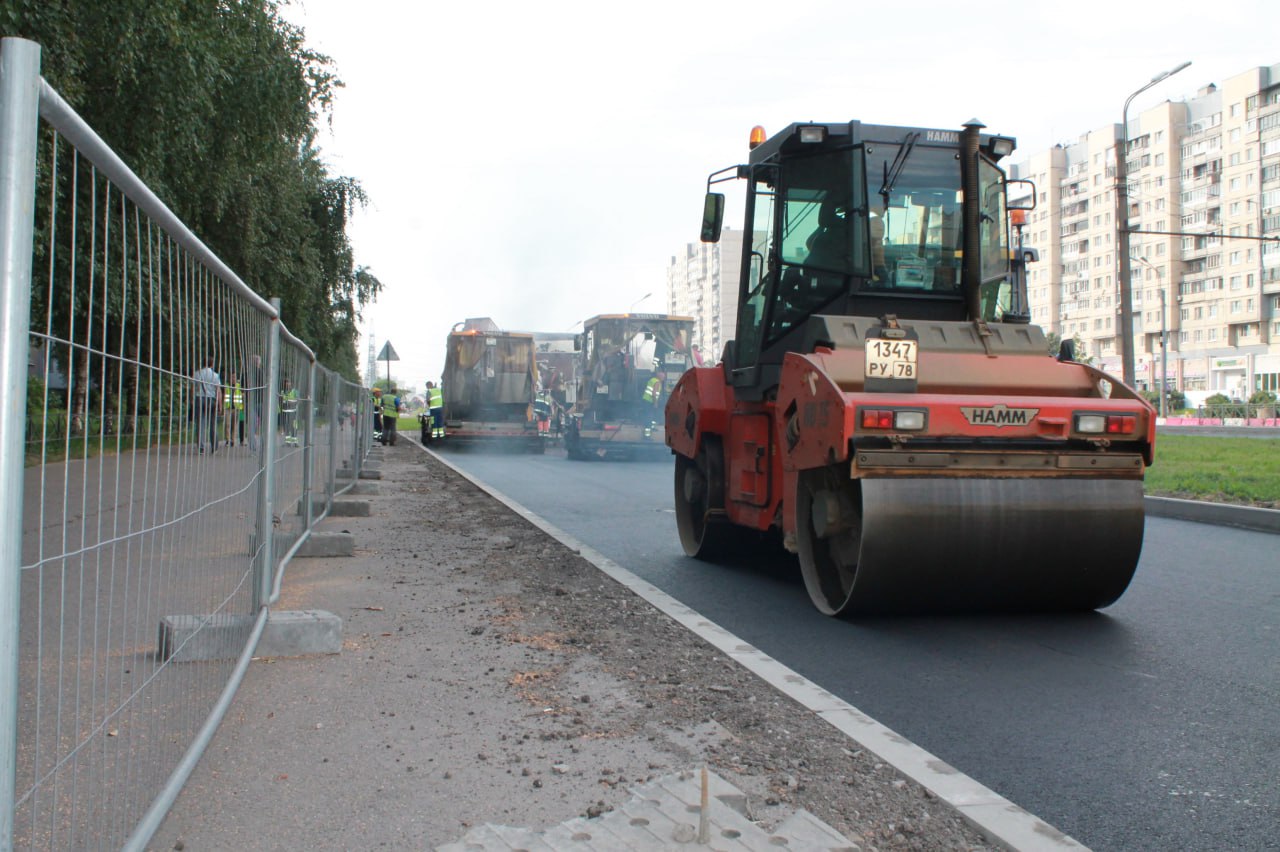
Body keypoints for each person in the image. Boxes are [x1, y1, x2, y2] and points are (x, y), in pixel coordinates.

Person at [192, 356, 221, 454]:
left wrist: (192, 401)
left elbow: (193, 388)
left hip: (199, 398)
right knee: (213, 424)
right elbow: (218, 391)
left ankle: (201, 447)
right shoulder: (215, 375)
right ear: (212, 364)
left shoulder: (197, 373)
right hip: (212, 400)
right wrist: (219, 404)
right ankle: (214, 447)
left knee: (200, 424)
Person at [245, 354, 264, 452]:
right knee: (264, 424)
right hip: (261, 401)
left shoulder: (247, 373)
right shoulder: (263, 374)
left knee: (251, 426)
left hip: (250, 401)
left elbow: (243, 389)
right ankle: (265, 444)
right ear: (259, 363)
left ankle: (253, 446)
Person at [223, 371, 244, 447]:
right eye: (232, 377)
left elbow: (242, 396)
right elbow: (224, 396)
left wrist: (242, 406)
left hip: (236, 408)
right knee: (227, 424)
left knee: (234, 425)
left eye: (234, 377)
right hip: (228, 408)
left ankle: (232, 440)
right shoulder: (226, 385)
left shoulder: (239, 386)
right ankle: (227, 440)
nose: (233, 379)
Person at [279, 377, 300, 447]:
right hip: (285, 412)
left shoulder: (294, 391)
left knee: (294, 427)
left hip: (293, 412)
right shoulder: (282, 392)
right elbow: (281, 401)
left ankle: (295, 442)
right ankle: (288, 442)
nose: (287, 384)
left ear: (291, 383)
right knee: (286, 427)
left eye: (289, 382)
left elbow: (298, 401)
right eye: (286, 382)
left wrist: (291, 402)